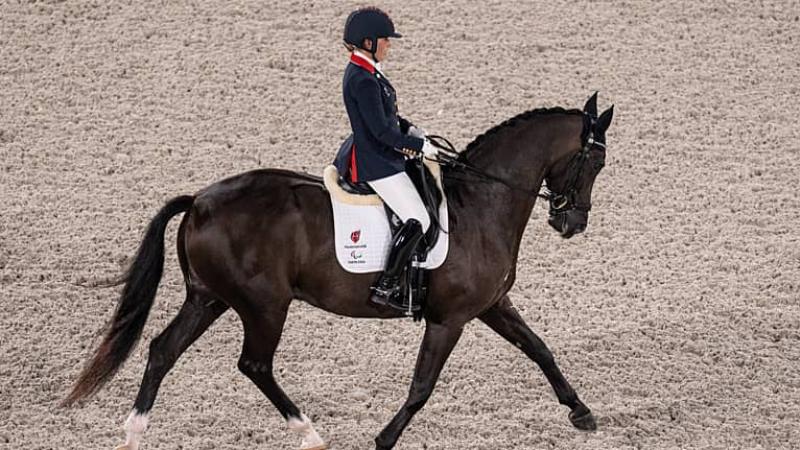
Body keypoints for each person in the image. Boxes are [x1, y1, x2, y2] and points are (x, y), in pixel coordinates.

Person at [340, 7, 438, 310]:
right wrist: (416, 146)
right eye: (385, 40)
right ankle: (388, 285)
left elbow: (386, 117)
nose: (389, 45)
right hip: (376, 161)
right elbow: (381, 132)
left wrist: (411, 130)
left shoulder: (368, 71)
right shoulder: (363, 80)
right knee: (419, 218)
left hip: (379, 151)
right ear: (368, 43)